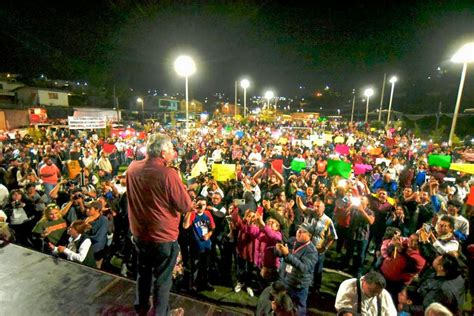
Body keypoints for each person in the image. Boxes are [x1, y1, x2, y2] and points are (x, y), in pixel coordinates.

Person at [127, 133, 193, 316]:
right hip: (163, 237)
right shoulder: (168, 174)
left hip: (140, 234)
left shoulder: (132, 168)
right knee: (162, 282)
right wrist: (179, 181)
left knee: (143, 275)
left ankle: (141, 308)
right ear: (163, 153)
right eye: (172, 149)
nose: (174, 153)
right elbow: (186, 205)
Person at [276, 222, 318, 316]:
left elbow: (304, 268)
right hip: (286, 281)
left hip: (298, 286)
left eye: (303, 232)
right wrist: (278, 250)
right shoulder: (292, 241)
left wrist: (287, 255)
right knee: (283, 306)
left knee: (299, 309)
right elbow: (283, 254)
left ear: (309, 236)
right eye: (299, 230)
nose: (299, 233)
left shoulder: (312, 251)